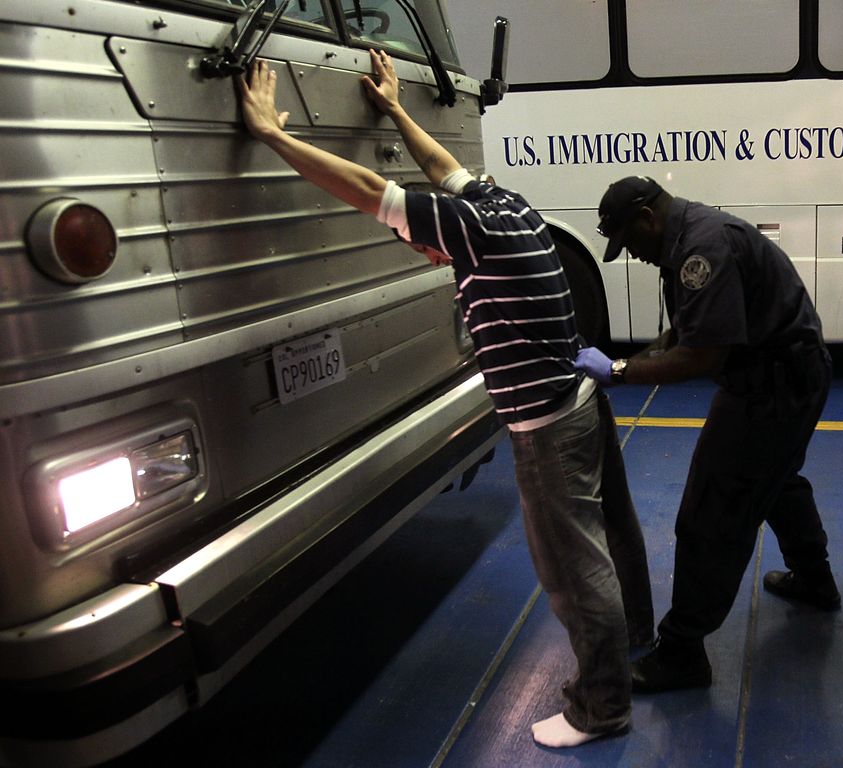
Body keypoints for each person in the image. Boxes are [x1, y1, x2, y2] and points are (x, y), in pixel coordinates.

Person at [236, 52, 653, 747]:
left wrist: (274, 136)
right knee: (611, 534)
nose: (425, 255)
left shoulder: (470, 230)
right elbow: (442, 166)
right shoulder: (502, 204)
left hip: (548, 426)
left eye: (419, 243)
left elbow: (368, 188)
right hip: (579, 398)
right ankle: (635, 634)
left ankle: (602, 707)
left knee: (572, 570)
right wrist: (397, 110)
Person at [575, 176, 840, 694]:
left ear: (647, 218)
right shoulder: (686, 236)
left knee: (710, 512)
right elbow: (686, 332)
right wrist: (636, 357)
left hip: (771, 387)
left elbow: (701, 356)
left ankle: (682, 655)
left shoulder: (702, 249)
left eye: (630, 242)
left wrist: (620, 371)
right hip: (789, 376)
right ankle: (815, 579)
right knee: (778, 481)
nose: (634, 255)